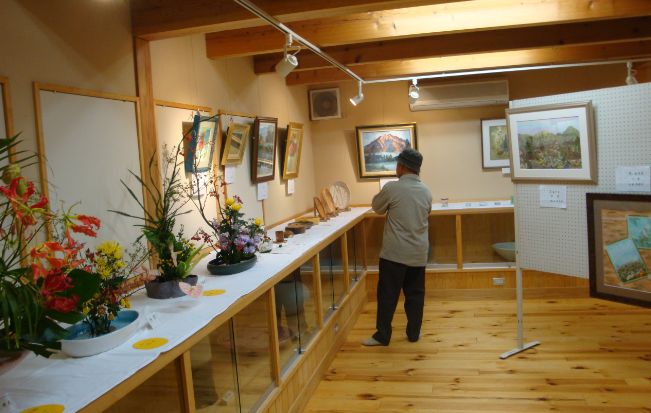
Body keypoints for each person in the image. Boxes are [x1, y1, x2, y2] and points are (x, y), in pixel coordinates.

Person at [363, 148, 432, 346]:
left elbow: (377, 208)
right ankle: (413, 333)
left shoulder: (392, 188)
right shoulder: (426, 191)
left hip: (394, 254)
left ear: (402, 166)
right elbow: (427, 213)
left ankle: (383, 336)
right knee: (415, 295)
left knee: (387, 296)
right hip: (418, 253)